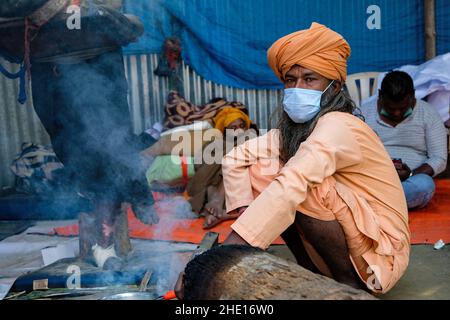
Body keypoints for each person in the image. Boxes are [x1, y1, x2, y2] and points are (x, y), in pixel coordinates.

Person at [172, 23, 412, 298]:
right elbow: (236, 157)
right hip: (356, 233)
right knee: (265, 170)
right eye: (290, 80)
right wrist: (244, 211)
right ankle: (312, 271)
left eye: (310, 79)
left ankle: (351, 286)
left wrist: (227, 257)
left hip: (381, 252)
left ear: (334, 87)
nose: (298, 88)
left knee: (299, 184)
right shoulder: (300, 130)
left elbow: (292, 183)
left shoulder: (340, 124)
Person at [361, 71, 448, 210]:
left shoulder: (429, 113)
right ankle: (389, 205)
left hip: (409, 182)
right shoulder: (362, 114)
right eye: (390, 108)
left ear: (413, 95)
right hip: (374, 180)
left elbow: (439, 158)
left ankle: (373, 205)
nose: (397, 113)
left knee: (424, 185)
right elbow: (352, 152)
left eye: (402, 108)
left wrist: (411, 174)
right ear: (380, 95)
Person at [186, 107, 257, 228]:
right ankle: (218, 204)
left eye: (242, 125)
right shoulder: (215, 144)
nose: (239, 130)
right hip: (211, 183)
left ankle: (220, 209)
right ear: (225, 131)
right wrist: (228, 153)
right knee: (233, 160)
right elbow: (199, 166)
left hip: (242, 184)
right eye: (233, 128)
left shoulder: (252, 139)